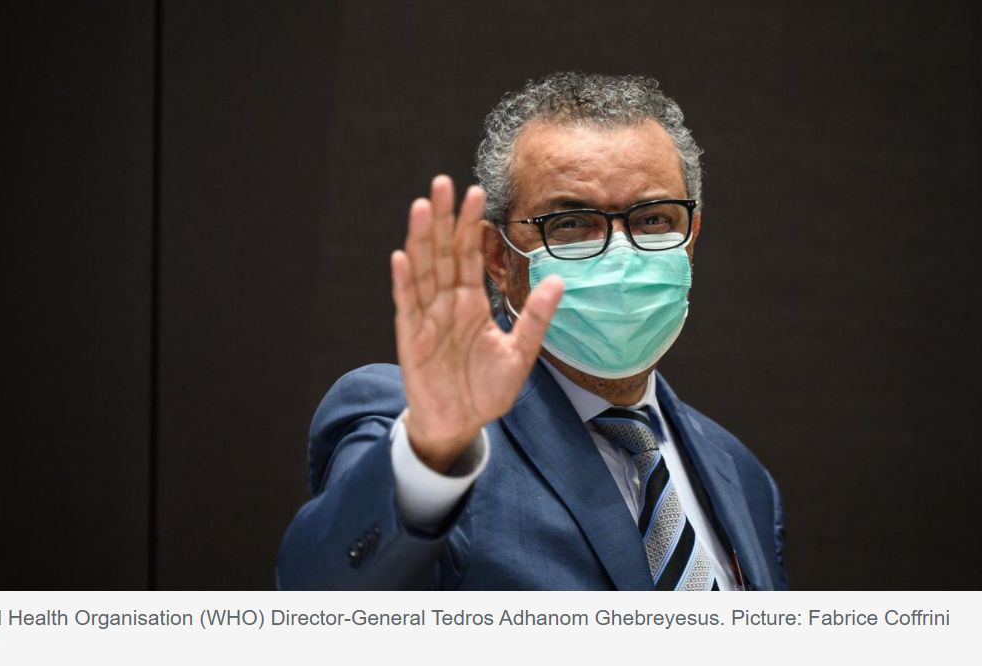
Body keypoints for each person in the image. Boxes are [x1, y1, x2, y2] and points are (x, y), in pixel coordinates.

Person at [276, 72, 787, 590]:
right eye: (571, 223)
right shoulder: (419, 426)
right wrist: (428, 456)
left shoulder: (742, 477)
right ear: (498, 257)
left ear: (690, 237)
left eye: (653, 220)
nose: (621, 254)